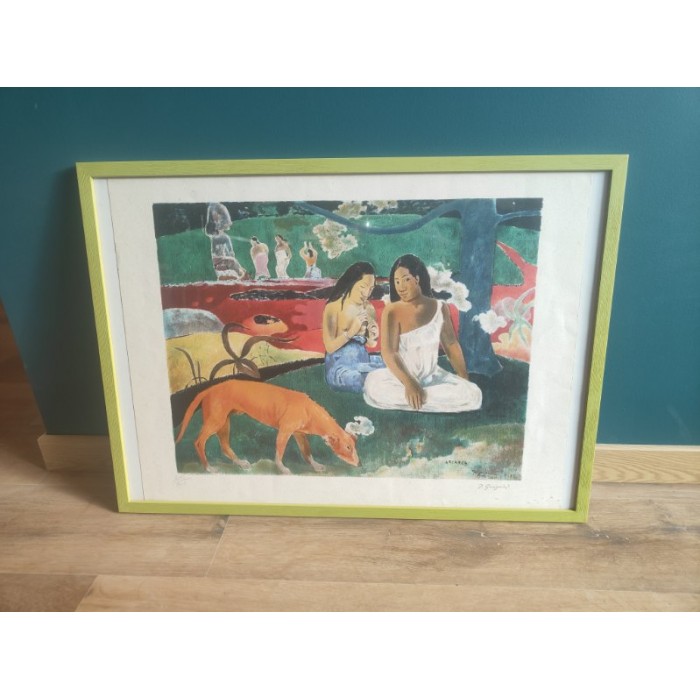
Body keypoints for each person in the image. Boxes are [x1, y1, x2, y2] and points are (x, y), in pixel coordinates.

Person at [363, 254, 482, 412]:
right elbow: (389, 352)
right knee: (374, 387)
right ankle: (419, 397)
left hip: (431, 379)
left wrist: (464, 378)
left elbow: (451, 344)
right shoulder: (391, 311)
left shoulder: (440, 308)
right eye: (396, 282)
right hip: (400, 380)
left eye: (405, 279)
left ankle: (421, 398)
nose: (401, 287)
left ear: (417, 279)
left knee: (471, 393)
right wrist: (409, 384)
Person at [322, 261, 385, 393]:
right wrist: (351, 332)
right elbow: (329, 347)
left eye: (371, 288)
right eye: (363, 287)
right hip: (340, 368)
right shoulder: (333, 307)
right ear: (352, 282)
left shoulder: (368, 308)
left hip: (363, 362)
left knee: (393, 364)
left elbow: (371, 344)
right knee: (363, 380)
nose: (367, 293)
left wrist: (373, 335)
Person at [204, 203, 248, 280]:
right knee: (234, 266)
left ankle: (240, 274)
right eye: (214, 215)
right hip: (220, 263)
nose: (216, 217)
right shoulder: (216, 237)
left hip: (224, 263)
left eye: (218, 214)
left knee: (235, 267)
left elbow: (230, 253)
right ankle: (240, 275)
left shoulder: (224, 237)